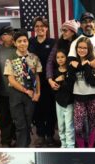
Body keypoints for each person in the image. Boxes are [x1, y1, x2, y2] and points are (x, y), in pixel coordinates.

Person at [68, 12, 95, 147]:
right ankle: (81, 145)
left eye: (91, 21)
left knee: (94, 120)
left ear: (94, 23)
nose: (88, 24)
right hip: (79, 90)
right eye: (85, 21)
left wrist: (93, 65)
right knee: (79, 124)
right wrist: (87, 64)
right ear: (81, 25)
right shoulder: (76, 41)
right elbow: (72, 63)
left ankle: (93, 144)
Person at [4, 29, 42, 147]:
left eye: (25, 41)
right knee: (20, 124)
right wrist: (26, 91)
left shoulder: (34, 58)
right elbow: (11, 80)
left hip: (31, 94)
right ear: (15, 43)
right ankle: (22, 146)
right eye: (19, 41)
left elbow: (36, 76)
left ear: (28, 42)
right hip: (17, 95)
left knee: (28, 121)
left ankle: (26, 144)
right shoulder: (10, 59)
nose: (22, 43)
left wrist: (38, 92)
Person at [29, 17, 56, 147]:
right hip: (34, 81)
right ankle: (40, 135)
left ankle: (50, 135)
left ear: (47, 28)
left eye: (42, 26)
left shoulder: (52, 42)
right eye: (37, 26)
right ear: (34, 28)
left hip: (49, 80)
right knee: (37, 109)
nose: (39, 28)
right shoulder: (30, 42)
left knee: (50, 109)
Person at [0, 25, 16, 147]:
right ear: (2, 37)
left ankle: (15, 136)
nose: (8, 36)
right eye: (5, 34)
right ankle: (5, 141)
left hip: (16, 89)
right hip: (2, 89)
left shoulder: (18, 47)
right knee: (4, 117)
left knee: (16, 116)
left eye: (10, 33)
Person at [52, 48, 75, 148]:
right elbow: (54, 89)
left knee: (69, 126)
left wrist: (63, 80)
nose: (60, 59)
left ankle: (70, 146)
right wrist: (56, 81)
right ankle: (63, 144)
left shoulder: (70, 70)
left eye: (62, 57)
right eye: (58, 57)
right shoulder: (55, 72)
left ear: (66, 58)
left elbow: (71, 87)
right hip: (59, 102)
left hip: (69, 102)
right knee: (61, 126)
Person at [47, 19, 79, 88]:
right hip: (61, 77)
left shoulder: (80, 43)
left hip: (77, 79)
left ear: (73, 32)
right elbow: (50, 61)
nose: (63, 33)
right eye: (62, 30)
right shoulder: (59, 43)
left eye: (65, 30)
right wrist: (50, 79)